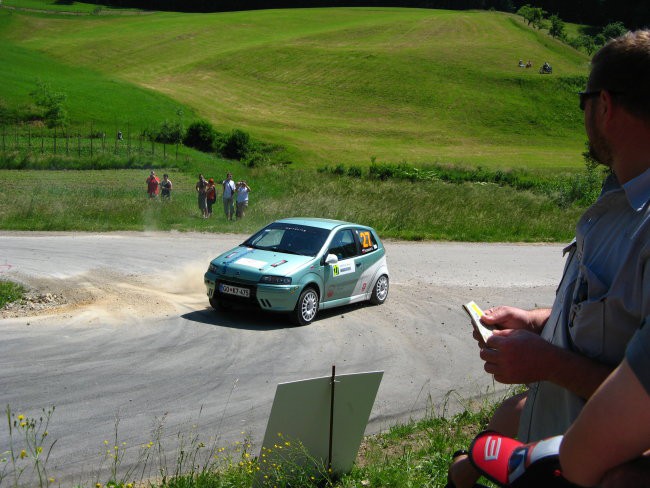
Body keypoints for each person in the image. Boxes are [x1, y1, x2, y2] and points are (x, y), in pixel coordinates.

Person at [447, 29, 650, 488]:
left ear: (605, 106)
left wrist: (548, 364)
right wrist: (537, 321)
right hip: (545, 455)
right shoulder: (617, 197)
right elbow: (616, 316)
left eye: (584, 102)